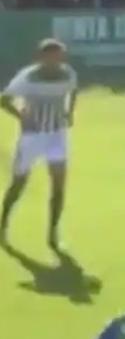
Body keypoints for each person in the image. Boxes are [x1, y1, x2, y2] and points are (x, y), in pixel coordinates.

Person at [1, 39, 78, 247]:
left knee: (59, 185)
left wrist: (69, 112)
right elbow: (4, 99)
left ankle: (53, 233)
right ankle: (3, 224)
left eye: (59, 57)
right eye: (51, 57)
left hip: (57, 134)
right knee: (19, 184)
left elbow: (73, 91)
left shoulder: (68, 74)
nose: (56, 61)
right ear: (42, 58)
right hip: (32, 137)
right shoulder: (28, 77)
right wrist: (22, 117)